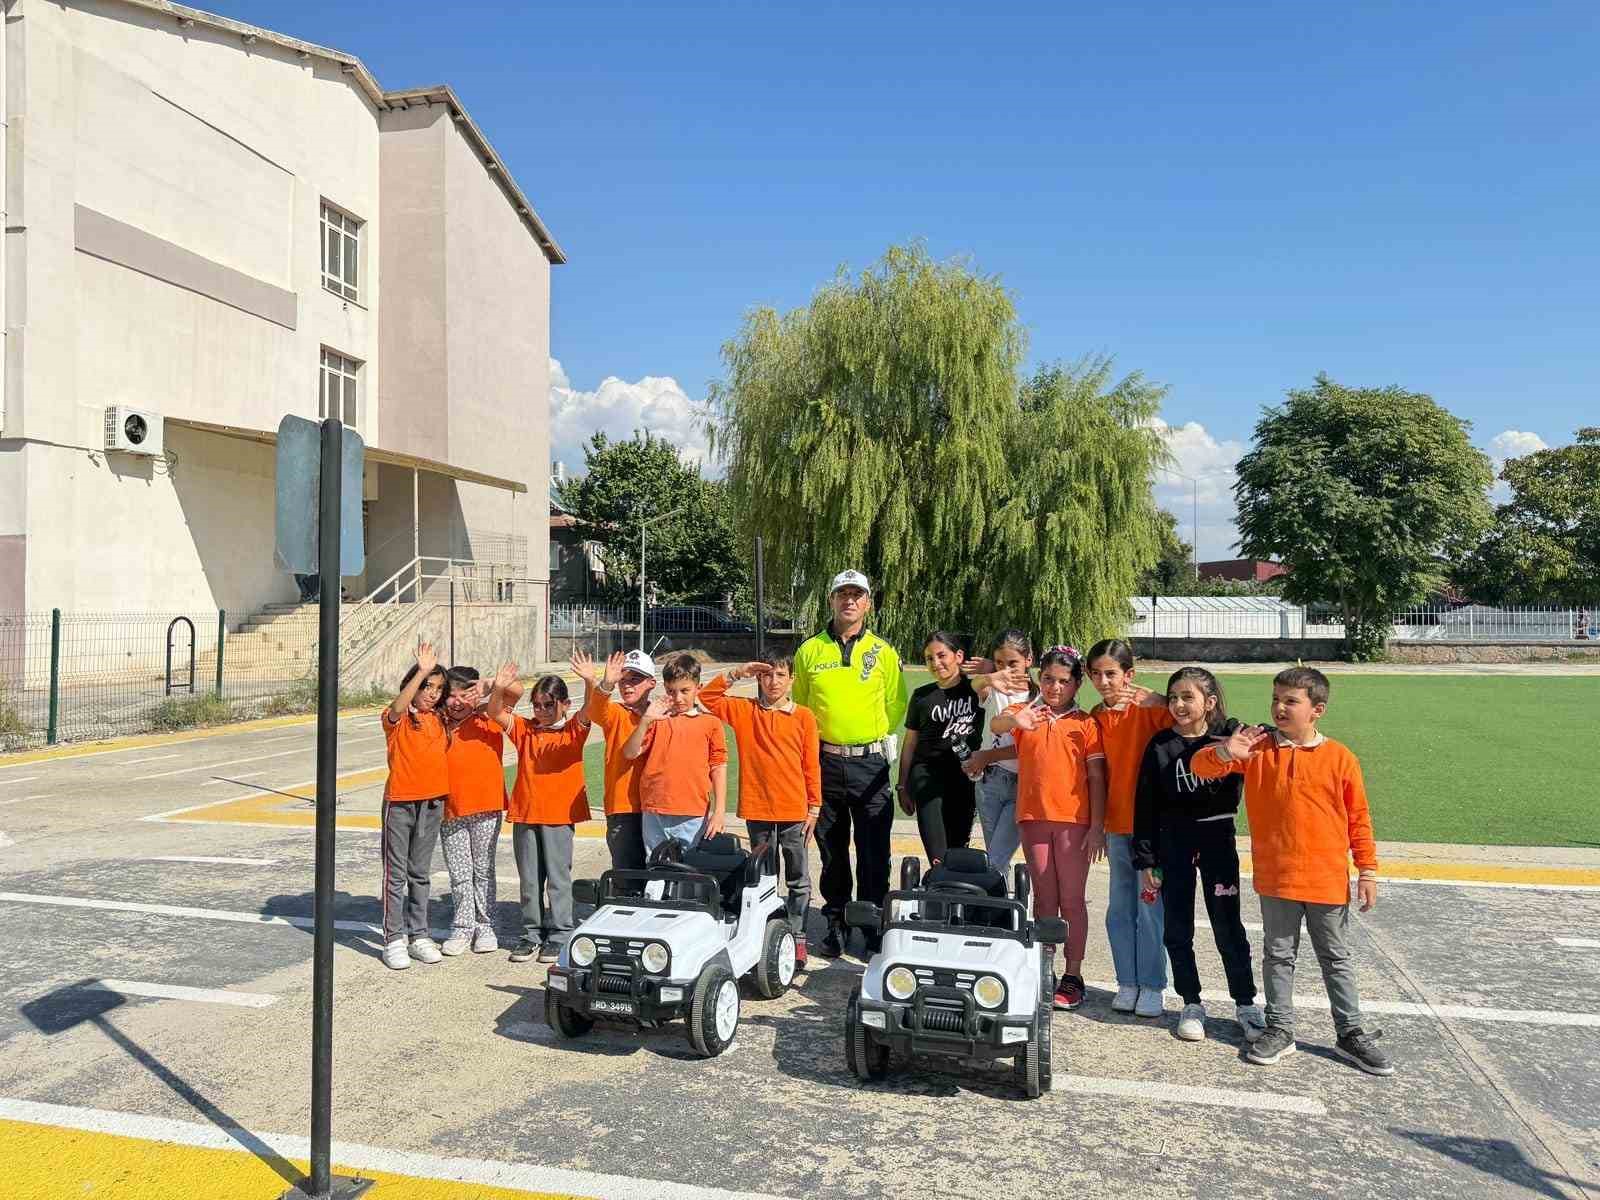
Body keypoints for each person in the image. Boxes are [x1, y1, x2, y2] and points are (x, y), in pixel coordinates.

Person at [1191, 667, 1392, 1076]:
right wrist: (1228, 751)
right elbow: (1200, 767)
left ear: (1317, 710)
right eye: (1276, 699)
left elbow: (1359, 819)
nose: (1279, 708)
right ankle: (1280, 1028)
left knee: (1335, 957)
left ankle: (1350, 1031)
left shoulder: (1340, 758)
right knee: (1279, 955)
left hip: (1326, 878)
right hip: (1277, 877)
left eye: (1291, 701)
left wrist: (1367, 870)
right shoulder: (1258, 750)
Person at [1132, 667, 1264, 1044]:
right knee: (1177, 928)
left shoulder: (1232, 737)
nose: (1178, 705)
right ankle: (1191, 1002)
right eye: (1172, 697)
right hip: (1173, 841)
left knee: (1228, 926)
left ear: (1210, 702)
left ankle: (1245, 1003)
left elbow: (1263, 736)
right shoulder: (1159, 745)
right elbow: (1145, 805)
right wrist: (1145, 859)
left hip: (1218, 839)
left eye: (1187, 697)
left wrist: (1235, 731)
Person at [792, 570, 909, 958]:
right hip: (825, 762)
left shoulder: (883, 652)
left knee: (874, 850)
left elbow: (895, 702)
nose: (849, 601)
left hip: (870, 764)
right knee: (832, 851)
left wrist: (868, 736)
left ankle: (872, 923)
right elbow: (803, 709)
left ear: (868, 603)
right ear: (831, 600)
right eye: (842, 593)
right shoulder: (810, 651)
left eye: (857, 594)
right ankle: (837, 922)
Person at [991, 645, 1106, 1010]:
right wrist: (1015, 721)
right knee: (1044, 898)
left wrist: (1098, 826)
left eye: (1064, 681)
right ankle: (1045, 968)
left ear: (1076, 685)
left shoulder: (1086, 723)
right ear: (1039, 679)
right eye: (1048, 680)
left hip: (1074, 822)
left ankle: (1073, 974)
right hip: (1033, 818)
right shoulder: (1028, 714)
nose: (1055, 687)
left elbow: (1097, 777)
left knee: (1072, 899)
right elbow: (997, 724)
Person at [700, 653, 822, 965]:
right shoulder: (745, 711)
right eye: (767, 675)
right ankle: (767, 931)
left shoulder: (804, 717)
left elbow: (811, 764)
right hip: (758, 809)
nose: (774, 682)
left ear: (791, 679)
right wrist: (737, 671)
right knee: (763, 877)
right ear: (759, 679)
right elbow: (707, 696)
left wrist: (814, 807)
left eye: (781, 675)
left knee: (798, 878)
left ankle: (797, 935)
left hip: (794, 810)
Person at [1087, 639, 1173, 1019]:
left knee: (1151, 908)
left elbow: (1202, 720)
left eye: (1112, 674)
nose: (1104, 682)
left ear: (1129, 675)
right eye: (1097, 674)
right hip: (1117, 826)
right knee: (1120, 908)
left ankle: (1153, 985)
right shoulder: (1096, 716)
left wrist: (1162, 701)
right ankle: (1128, 981)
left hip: (1153, 830)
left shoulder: (1152, 712)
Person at [489, 667, 590, 964]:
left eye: (549, 704)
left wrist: (590, 681)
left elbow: (592, 708)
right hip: (526, 813)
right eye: (537, 704)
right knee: (529, 880)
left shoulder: (573, 730)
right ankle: (532, 933)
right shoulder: (525, 729)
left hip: (559, 816)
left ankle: (559, 933)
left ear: (564, 704)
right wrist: (498, 687)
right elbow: (495, 711)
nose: (542, 710)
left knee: (558, 879)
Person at [379, 641, 450, 971]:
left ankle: (418, 935)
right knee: (396, 875)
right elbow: (397, 707)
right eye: (427, 686)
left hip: (433, 803)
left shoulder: (439, 720)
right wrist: (421, 669)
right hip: (401, 805)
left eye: (438, 688)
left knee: (420, 874)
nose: (433, 693)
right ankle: (393, 938)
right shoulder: (398, 720)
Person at [624, 653, 728, 853]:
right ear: (665, 688)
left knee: (688, 872)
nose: (678, 698)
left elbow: (718, 766)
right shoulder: (656, 719)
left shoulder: (711, 723)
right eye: (672, 691)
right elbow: (630, 753)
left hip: (692, 811)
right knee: (656, 870)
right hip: (654, 808)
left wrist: (720, 811)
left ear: (698, 687)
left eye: (685, 691)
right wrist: (645, 721)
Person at [438, 664, 508, 957]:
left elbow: (515, 690)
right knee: (459, 873)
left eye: (463, 694)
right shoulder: (438, 722)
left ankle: (485, 924)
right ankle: (462, 926)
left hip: (487, 806)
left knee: (483, 870)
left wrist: (490, 685)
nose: (456, 701)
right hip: (450, 809)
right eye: (450, 695)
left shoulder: (489, 715)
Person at [898, 632, 982, 865]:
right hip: (927, 777)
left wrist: (988, 666)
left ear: (959, 656)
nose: (936, 663)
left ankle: (956, 899)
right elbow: (910, 744)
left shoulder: (976, 690)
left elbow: (1007, 673)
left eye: (941, 655)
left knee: (957, 851)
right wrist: (903, 785)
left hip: (964, 778)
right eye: (929, 658)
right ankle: (935, 894)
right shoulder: (922, 696)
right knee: (937, 855)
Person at [574, 647, 654, 871]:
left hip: (656, 807)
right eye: (623, 679)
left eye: (635, 679)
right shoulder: (617, 713)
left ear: (651, 683)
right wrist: (605, 683)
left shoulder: (660, 714)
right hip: (623, 808)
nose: (627, 685)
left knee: (658, 875)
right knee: (626, 875)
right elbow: (595, 710)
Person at [961, 630, 1034, 871]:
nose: (1006, 670)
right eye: (1000, 663)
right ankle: (1003, 907)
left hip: (1022, 786)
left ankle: (1008, 906)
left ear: (1028, 660)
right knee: (996, 856)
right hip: (989, 783)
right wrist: (990, 675)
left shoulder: (1040, 697)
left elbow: (1028, 748)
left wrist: (987, 756)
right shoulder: (995, 688)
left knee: (996, 859)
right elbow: (975, 685)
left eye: (1013, 663)